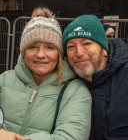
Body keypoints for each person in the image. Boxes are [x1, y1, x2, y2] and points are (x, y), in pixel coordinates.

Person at [0, 7, 92, 140]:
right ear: (23, 52)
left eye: (49, 47)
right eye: (33, 47)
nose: (41, 55)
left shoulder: (75, 92)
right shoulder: (4, 80)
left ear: (59, 54)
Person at [63, 14, 128, 140]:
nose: (79, 53)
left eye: (87, 43)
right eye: (71, 46)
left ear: (104, 49)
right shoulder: (65, 83)